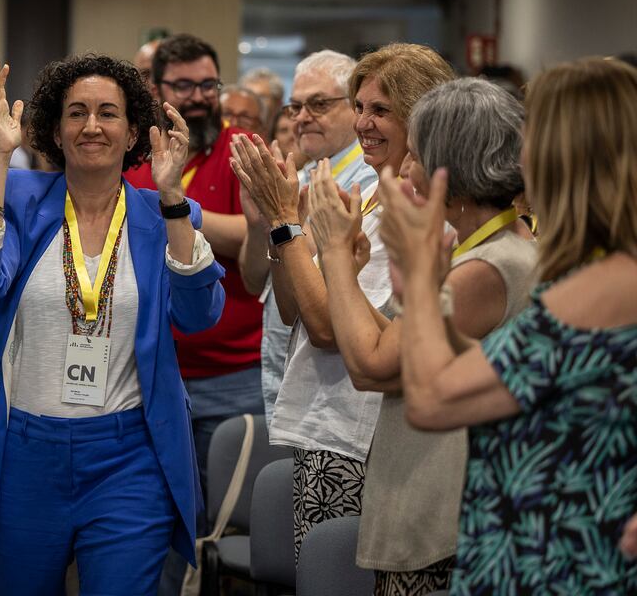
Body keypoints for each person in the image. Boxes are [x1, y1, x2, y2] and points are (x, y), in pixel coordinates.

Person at [0, 57, 225, 595]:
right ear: (55, 129)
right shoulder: (20, 199)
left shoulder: (163, 215)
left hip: (128, 456)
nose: (92, 126)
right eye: (77, 113)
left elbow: (198, 314)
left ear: (134, 130)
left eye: (108, 113)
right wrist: (0, 153)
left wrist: (172, 197)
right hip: (26, 451)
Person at [379, 56, 637, 595]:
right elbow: (500, 366)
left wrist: (422, 286)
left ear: (567, 157)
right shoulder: (596, 269)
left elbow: (432, 401)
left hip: (555, 566)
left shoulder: (604, 283)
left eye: (532, 136)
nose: (519, 158)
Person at [306, 78, 536, 594]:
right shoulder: (484, 249)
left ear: (447, 168)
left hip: (443, 529)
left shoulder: (489, 267)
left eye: (416, 155)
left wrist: (335, 253)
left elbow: (372, 367)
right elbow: (405, 350)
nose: (405, 168)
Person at [232, 43, 455, 558]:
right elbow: (292, 311)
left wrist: (290, 221)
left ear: (421, 114)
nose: (363, 123)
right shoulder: (376, 193)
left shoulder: (421, 207)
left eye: (380, 110)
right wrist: (279, 223)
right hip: (327, 428)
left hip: (367, 438)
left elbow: (332, 329)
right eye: (359, 107)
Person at [126, 33, 261, 489]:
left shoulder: (242, 147)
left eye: (208, 85)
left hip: (233, 372)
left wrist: (173, 209)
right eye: (183, 86)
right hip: (152, 368)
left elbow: (255, 234)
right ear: (157, 89)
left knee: (225, 525)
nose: (198, 97)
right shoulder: (137, 154)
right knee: (159, 515)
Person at [235, 50, 373, 428]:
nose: (302, 117)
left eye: (319, 103)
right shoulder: (305, 175)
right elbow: (254, 283)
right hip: (290, 386)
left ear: (355, 109)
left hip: (336, 399)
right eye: (295, 107)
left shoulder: (366, 182)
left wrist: (282, 217)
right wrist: (257, 224)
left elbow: (320, 312)